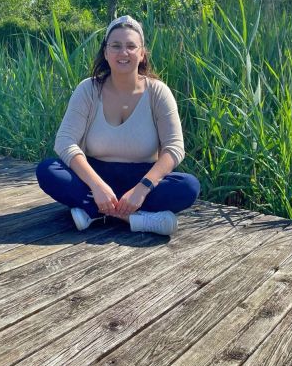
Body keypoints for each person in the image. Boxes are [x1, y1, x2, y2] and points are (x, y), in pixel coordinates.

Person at [36, 15, 200, 236]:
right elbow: (65, 141)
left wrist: (142, 189)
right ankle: (134, 218)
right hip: (94, 176)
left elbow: (174, 148)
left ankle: (93, 212)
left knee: (188, 186)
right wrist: (97, 186)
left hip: (141, 178)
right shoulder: (88, 89)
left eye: (131, 46)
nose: (123, 52)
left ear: (142, 54)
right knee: (48, 170)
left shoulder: (158, 92)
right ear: (106, 53)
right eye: (116, 46)